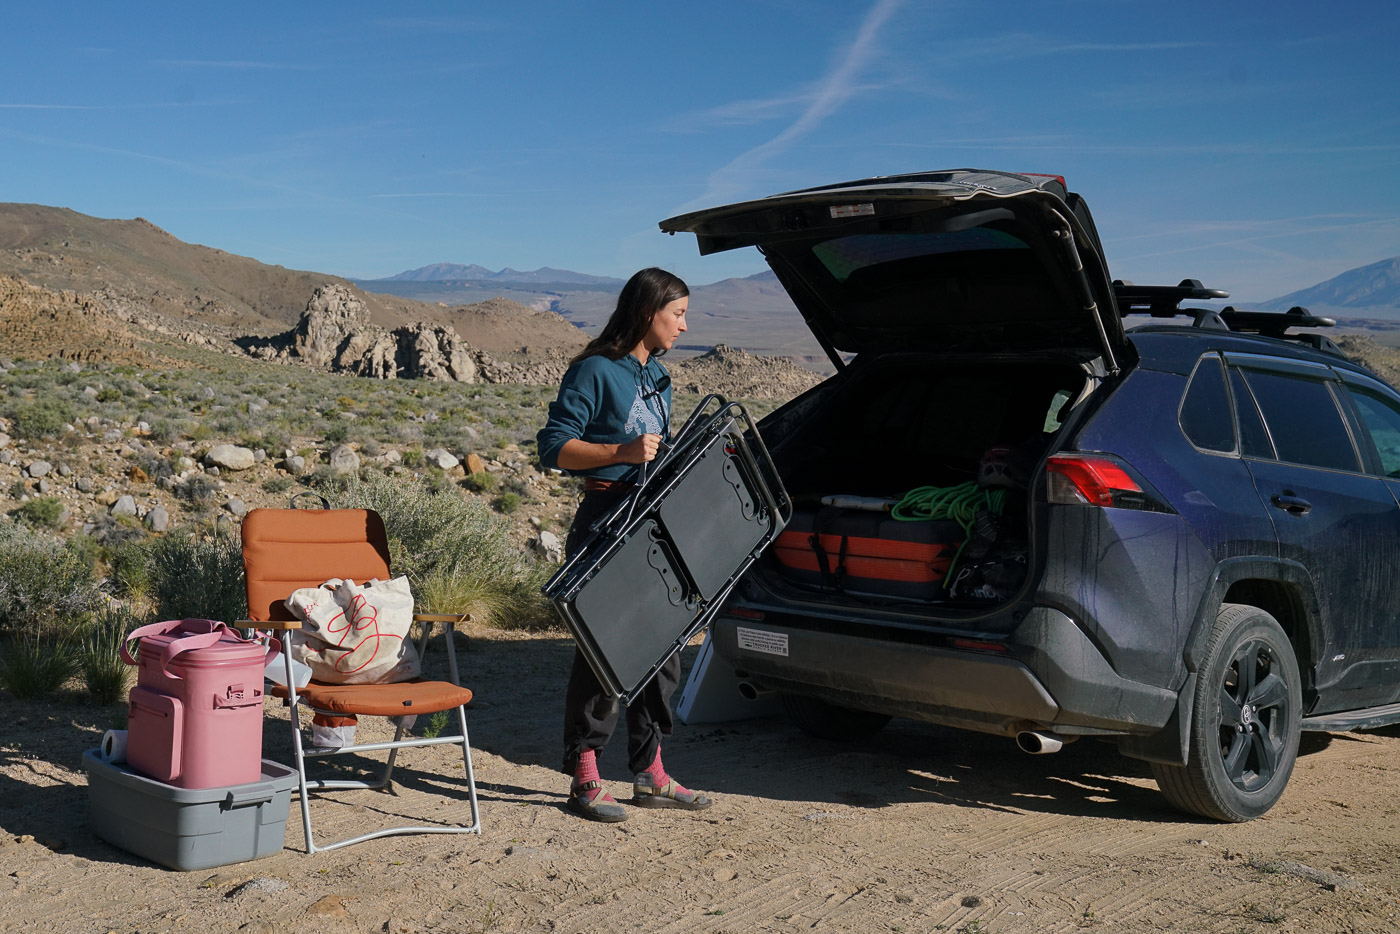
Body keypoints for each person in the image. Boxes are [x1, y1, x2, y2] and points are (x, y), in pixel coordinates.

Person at [536, 266, 712, 822]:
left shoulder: (657, 376)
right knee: (603, 651)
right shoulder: (595, 370)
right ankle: (585, 777)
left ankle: (650, 772)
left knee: (661, 652)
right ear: (647, 311)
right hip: (605, 521)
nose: (685, 326)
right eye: (678, 313)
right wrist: (621, 451)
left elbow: (653, 452)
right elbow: (554, 447)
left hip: (653, 526)